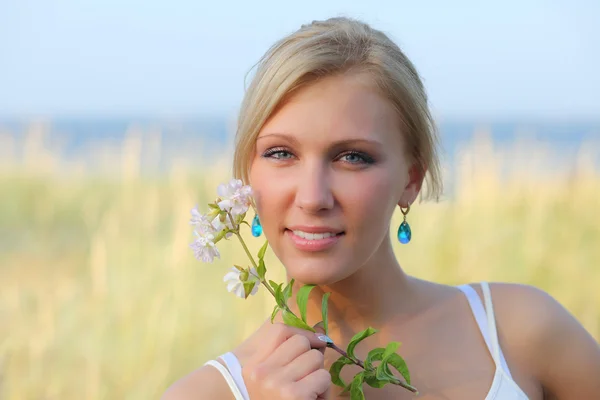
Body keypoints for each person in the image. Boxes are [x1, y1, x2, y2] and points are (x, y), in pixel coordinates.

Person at [163, 17, 600, 399]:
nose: (313, 197)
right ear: (248, 176)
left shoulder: (520, 332)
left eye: (352, 157)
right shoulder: (204, 394)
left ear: (411, 180)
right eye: (280, 153)